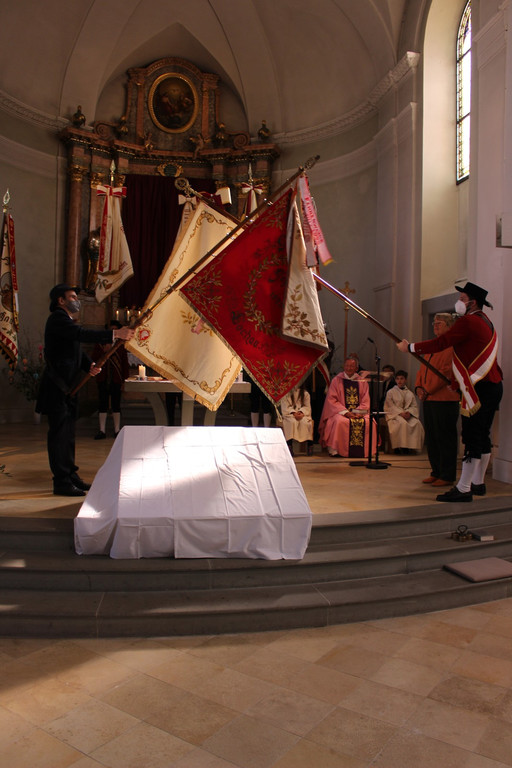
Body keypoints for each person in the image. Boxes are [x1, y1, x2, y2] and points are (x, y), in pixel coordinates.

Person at [397, 281, 503, 502]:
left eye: (463, 299)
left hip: (480, 388)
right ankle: (478, 483)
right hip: (491, 385)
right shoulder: (486, 322)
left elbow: (442, 343)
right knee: (482, 436)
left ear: (473, 302)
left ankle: (464, 488)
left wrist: (410, 347)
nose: (459, 302)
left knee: (472, 437)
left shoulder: (468, 322)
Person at [36, 284, 134, 496]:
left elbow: (74, 349)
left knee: (69, 434)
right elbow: (80, 334)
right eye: (72, 296)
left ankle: (71, 475)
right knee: (59, 436)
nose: (76, 299)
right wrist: (115, 333)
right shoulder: (57, 319)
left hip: (69, 387)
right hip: (57, 387)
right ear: (61, 301)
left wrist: (88, 364)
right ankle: (61, 482)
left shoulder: (67, 321)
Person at [415, 313, 460, 487]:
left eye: (439, 323)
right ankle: (436, 471)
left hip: (445, 399)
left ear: (449, 326)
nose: (435, 325)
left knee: (445, 437)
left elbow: (445, 373)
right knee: (432, 437)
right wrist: (419, 387)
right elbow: (422, 369)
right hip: (428, 398)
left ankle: (447, 475)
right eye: (434, 322)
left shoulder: (451, 347)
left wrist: (427, 390)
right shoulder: (433, 346)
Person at [319, 357, 377, 458]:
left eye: (352, 366)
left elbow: (365, 400)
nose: (349, 368)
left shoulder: (362, 381)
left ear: (356, 368)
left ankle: (366, 451)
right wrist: (346, 412)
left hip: (359, 413)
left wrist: (357, 412)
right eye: (347, 366)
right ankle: (336, 451)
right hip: (340, 413)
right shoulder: (337, 380)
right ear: (344, 366)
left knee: (369, 422)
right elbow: (332, 400)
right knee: (339, 422)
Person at [92, 320, 130, 439]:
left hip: (116, 379)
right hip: (103, 378)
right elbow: (94, 359)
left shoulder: (120, 345)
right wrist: (104, 351)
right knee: (102, 403)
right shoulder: (100, 344)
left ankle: (117, 430)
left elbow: (124, 364)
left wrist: (124, 380)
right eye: (110, 329)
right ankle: (102, 430)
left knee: (116, 404)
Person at [384, 370, 424, 454]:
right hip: (395, 415)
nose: (399, 381)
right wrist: (400, 413)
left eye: (402, 379)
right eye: (397, 379)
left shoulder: (410, 393)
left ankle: (410, 447)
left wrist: (409, 413)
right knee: (402, 423)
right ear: (395, 380)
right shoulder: (391, 392)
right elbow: (390, 406)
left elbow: (414, 406)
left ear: (405, 380)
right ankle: (399, 447)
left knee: (417, 423)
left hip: (407, 415)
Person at [280, 385, 314, 456]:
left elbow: (307, 406)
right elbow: (285, 406)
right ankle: (289, 446)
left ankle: (310, 445)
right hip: (290, 415)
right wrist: (293, 412)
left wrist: (301, 412)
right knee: (291, 422)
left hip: (302, 415)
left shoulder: (305, 393)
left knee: (306, 423)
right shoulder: (286, 394)